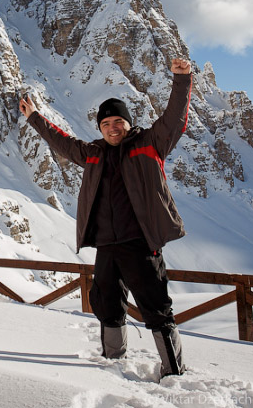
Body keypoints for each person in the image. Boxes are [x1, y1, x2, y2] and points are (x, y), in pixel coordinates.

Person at [18, 58, 193, 378]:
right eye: (106, 123)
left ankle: (174, 371)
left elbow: (174, 119)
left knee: (156, 307)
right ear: (100, 128)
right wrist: (34, 118)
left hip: (141, 245)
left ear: (127, 123)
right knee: (107, 304)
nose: (113, 127)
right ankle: (114, 362)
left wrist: (181, 81)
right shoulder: (95, 153)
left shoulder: (149, 143)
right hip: (107, 246)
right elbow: (64, 144)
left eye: (118, 122)